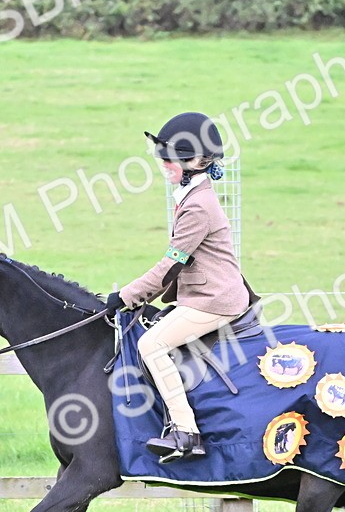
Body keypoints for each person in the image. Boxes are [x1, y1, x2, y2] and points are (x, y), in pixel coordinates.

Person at [105, 112, 251, 463]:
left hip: (214, 300)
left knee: (151, 345)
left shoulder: (198, 205)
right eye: (165, 157)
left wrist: (125, 297)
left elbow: (172, 263)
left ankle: (186, 433)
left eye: (173, 159)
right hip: (200, 293)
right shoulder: (190, 194)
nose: (165, 165)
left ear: (199, 163)